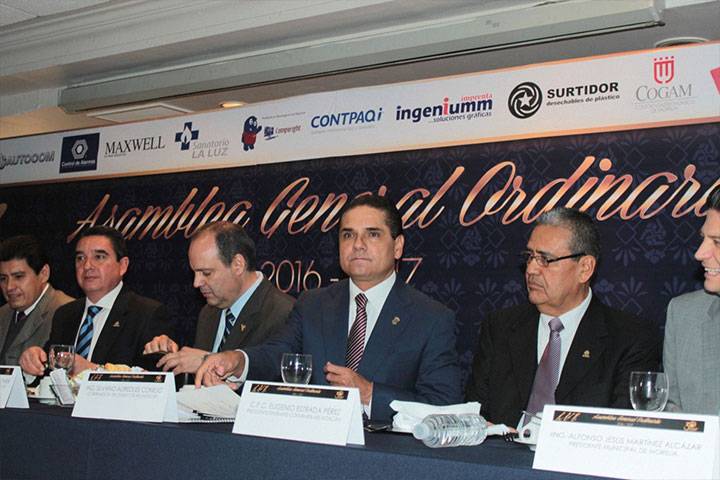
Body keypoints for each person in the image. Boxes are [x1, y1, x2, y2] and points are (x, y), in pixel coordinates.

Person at [195, 195, 462, 421]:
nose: (358, 244)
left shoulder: (431, 318)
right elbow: (277, 354)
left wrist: (369, 394)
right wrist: (238, 360)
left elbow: (444, 406)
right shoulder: (313, 304)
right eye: (348, 235)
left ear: (398, 247)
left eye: (372, 234)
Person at [466, 207, 660, 427]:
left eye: (545, 259)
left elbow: (622, 428)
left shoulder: (630, 338)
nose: (531, 269)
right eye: (530, 257)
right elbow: (474, 415)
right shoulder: (500, 327)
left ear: (585, 268)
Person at [19, 226, 173, 375]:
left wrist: (93, 371)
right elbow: (49, 373)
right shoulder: (65, 314)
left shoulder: (147, 314)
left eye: (99, 257)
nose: (87, 266)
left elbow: (154, 379)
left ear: (123, 266)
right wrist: (34, 363)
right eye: (80, 258)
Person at [143, 221, 294, 374]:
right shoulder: (208, 312)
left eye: (206, 273)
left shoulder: (284, 313)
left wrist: (206, 361)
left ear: (238, 265)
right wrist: (173, 357)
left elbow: (273, 376)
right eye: (194, 273)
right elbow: (199, 381)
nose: (196, 283)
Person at [664, 185, 720, 414]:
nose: (699, 253)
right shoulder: (684, 315)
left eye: (717, 242)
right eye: (704, 238)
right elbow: (672, 410)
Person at [0, 235, 73, 366]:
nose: (9, 287)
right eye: (3, 279)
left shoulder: (67, 313)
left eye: (18, 276)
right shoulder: (3, 313)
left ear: (44, 273)